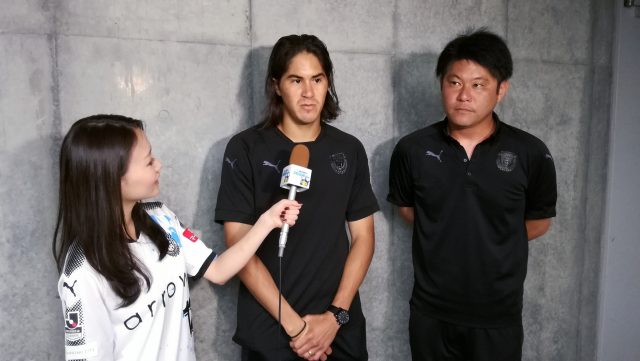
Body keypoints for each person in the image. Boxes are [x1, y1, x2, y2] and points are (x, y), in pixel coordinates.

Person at [53, 114, 301, 361]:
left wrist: (268, 221)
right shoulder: (81, 273)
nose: (159, 164)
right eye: (148, 161)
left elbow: (219, 270)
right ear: (110, 177)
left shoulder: (160, 217)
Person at [387, 29, 557, 361]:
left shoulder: (531, 152)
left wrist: (492, 239)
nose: (464, 95)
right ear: (442, 85)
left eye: (478, 85)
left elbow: (538, 223)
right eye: (454, 82)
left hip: (497, 316)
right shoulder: (412, 149)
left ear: (501, 90)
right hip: (431, 312)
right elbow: (407, 211)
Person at [215, 34, 379, 361]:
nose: (308, 92)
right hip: (272, 329)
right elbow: (238, 244)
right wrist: (297, 328)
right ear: (277, 85)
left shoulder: (349, 149)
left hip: (337, 329)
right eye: (296, 80)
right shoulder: (245, 148)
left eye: (317, 79)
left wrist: (336, 316)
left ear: (327, 82)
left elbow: (363, 237)